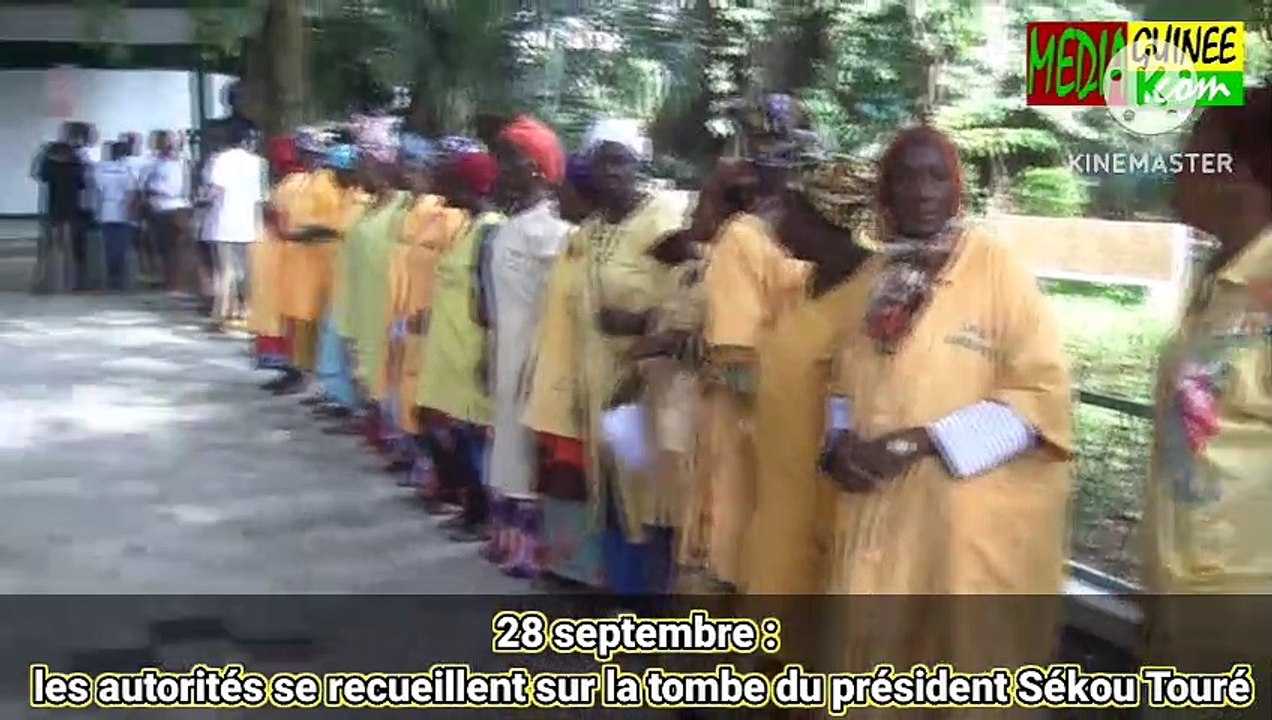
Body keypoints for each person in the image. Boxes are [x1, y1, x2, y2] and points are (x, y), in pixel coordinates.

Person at [811, 127, 1072, 682]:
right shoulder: (878, 276)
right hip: (875, 521)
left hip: (958, 539)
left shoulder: (997, 270)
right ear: (885, 193)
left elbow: (1040, 400)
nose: (922, 192)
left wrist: (916, 442)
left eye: (936, 177)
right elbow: (843, 382)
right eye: (906, 177)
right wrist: (836, 444)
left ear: (957, 190)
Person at [1142, 86, 1271, 702]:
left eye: (1195, 149)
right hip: (1184, 604)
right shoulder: (1220, 278)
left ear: (1242, 170)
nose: (1178, 164)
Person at [572, 118, 686, 599]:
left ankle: (649, 607)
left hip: (646, 384)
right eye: (603, 160)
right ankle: (620, 593)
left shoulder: (662, 222)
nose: (612, 171)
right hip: (597, 380)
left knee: (650, 500)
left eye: (622, 160)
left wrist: (640, 325)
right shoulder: (593, 227)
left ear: (639, 165)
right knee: (611, 494)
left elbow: (692, 301)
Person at [484, 115, 573, 577]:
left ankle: (533, 548)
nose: (501, 171)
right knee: (507, 443)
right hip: (507, 348)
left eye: (511, 162)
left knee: (526, 451)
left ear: (537, 170)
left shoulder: (552, 233)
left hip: (533, 355)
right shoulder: (513, 224)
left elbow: (558, 304)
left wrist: (541, 361)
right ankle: (507, 536)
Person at [521, 152, 605, 587]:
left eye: (565, 191)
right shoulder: (575, 241)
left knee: (574, 479)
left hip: (580, 381)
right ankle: (560, 563)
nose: (557, 199)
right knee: (555, 476)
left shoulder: (598, 246)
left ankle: (583, 573)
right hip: (553, 376)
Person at [415, 147, 503, 541]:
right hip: (449, 346)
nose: (441, 184)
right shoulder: (468, 225)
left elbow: (490, 300)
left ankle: (483, 516)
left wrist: (489, 352)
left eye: (450, 178)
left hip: (471, 348)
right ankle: (468, 507)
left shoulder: (491, 231)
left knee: (474, 436)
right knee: (455, 432)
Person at [247, 133, 307, 387]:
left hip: (287, 262)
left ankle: (293, 369)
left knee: (286, 318)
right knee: (280, 316)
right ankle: (287, 368)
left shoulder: (294, 186)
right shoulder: (289, 185)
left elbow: (286, 223)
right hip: (277, 260)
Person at [202, 124, 268, 330]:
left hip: (223, 221)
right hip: (248, 222)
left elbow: (213, 191)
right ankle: (247, 312)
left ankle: (220, 314)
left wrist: (202, 201)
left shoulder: (220, 160)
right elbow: (260, 198)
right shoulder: (259, 163)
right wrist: (260, 226)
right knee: (248, 271)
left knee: (225, 271)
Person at [31, 139, 85, 294]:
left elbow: (35, 174)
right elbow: (82, 186)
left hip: (54, 209)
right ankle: (68, 282)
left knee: (52, 247)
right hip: (68, 209)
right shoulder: (75, 166)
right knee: (65, 247)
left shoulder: (50, 166)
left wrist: (41, 154)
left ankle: (48, 280)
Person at [144, 130, 193, 293]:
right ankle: (165, 278)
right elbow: (146, 183)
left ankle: (177, 281)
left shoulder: (184, 162)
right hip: (159, 208)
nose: (170, 145)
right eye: (167, 142)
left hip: (178, 207)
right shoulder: (154, 163)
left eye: (174, 142)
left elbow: (185, 185)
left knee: (178, 246)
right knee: (162, 246)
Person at [93, 141, 140, 291]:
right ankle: (120, 277)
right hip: (122, 211)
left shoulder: (101, 169)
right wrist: (132, 215)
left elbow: (98, 192)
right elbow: (131, 194)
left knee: (108, 246)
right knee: (122, 246)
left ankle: (111, 276)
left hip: (107, 209)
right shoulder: (128, 170)